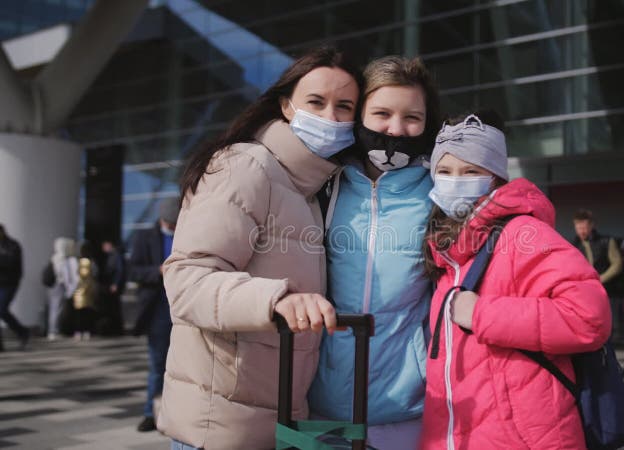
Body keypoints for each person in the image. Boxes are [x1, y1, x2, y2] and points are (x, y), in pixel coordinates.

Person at [159, 46, 361, 449]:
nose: (330, 118)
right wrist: (274, 300)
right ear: (286, 106)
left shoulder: (312, 189)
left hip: (276, 426)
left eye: (344, 107)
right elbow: (186, 280)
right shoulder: (245, 166)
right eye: (316, 102)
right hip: (219, 431)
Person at [419, 112, 611, 450]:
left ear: (494, 177)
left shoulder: (524, 233)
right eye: (445, 172)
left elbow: (589, 317)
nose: (455, 180)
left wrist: (482, 315)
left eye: (471, 171)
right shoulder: (448, 253)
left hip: (526, 439)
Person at [308, 55, 440, 450]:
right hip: (320, 401)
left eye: (412, 117)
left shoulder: (438, 191)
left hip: (407, 404)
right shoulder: (324, 184)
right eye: (381, 113)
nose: (396, 129)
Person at [129, 199, 178, 432]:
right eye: (170, 224)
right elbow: (133, 270)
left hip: (183, 306)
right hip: (157, 306)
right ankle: (151, 412)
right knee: (158, 363)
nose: (174, 227)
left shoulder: (188, 233)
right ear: (162, 220)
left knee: (184, 364)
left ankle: (176, 412)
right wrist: (156, 271)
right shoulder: (144, 237)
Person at [572, 210, 624, 340]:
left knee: (607, 325)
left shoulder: (606, 241)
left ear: (592, 226)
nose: (582, 231)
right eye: (579, 228)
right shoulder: (573, 245)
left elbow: (617, 264)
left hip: (606, 290)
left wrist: (600, 279)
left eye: (584, 227)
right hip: (584, 293)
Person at [0, 224, 29, 351]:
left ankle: (22, 332)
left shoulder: (13, 245)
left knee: (1, 310)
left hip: (9, 284)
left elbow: (12, 263)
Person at [46, 237, 79, 340]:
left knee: (53, 308)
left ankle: (53, 330)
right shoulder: (65, 259)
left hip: (53, 286)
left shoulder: (54, 257)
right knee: (57, 309)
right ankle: (53, 331)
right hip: (60, 285)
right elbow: (66, 276)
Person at [96, 239, 125, 336]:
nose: (103, 248)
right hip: (109, 285)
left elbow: (119, 271)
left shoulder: (116, 255)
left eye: (105, 246)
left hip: (113, 285)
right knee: (112, 308)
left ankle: (117, 329)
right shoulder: (110, 256)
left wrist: (116, 284)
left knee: (114, 308)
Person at [72, 256, 98, 340]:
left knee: (79, 314)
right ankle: (86, 332)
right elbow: (95, 273)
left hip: (79, 292)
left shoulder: (77, 263)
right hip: (87, 291)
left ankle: (78, 332)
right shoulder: (91, 263)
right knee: (87, 313)